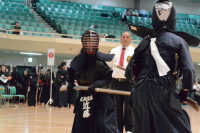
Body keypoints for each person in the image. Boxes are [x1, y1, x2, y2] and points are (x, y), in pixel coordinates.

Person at [126, 0, 200, 133]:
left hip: (139, 91)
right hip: (162, 90)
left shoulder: (145, 40)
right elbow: (188, 69)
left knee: (144, 129)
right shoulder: (177, 40)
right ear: (173, 18)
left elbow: (129, 71)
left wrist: (136, 89)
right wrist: (184, 92)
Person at [68, 30, 119, 133]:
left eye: (93, 41)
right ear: (84, 42)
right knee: (82, 127)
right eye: (88, 41)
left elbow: (108, 78)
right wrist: (70, 83)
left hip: (100, 98)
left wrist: (99, 83)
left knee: (102, 125)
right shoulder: (78, 61)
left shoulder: (100, 62)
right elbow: (71, 72)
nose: (91, 44)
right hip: (84, 98)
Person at [107, 31, 134, 133]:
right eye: (123, 37)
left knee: (129, 108)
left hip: (128, 83)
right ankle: (117, 129)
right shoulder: (113, 51)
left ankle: (130, 130)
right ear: (120, 38)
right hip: (115, 83)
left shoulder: (134, 52)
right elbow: (108, 66)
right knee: (116, 108)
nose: (125, 39)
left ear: (130, 39)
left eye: (127, 37)